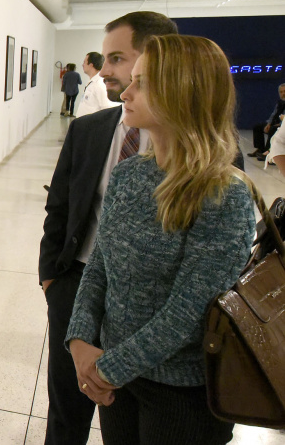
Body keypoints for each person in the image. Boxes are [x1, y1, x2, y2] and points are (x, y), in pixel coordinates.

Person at [66, 34, 254, 444]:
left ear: (185, 91)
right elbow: (100, 264)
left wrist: (107, 368)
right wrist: (80, 340)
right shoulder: (130, 174)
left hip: (182, 394)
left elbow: (188, 312)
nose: (127, 92)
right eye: (131, 80)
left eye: (143, 83)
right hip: (118, 380)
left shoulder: (223, 193)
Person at [39, 11, 178, 445]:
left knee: (133, 419)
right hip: (78, 284)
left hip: (156, 308)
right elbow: (60, 207)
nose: (108, 69)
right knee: (67, 407)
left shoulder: (204, 153)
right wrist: (52, 281)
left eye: (118, 58)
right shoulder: (89, 130)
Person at [248, 83, 285, 160]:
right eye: (281, 92)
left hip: (283, 125)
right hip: (277, 122)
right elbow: (274, 114)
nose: (283, 93)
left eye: (284, 91)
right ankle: (260, 149)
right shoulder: (280, 103)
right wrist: (269, 123)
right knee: (258, 127)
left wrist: (281, 124)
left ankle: (269, 152)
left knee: (273, 129)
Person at [74, 52, 116, 119]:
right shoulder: (92, 82)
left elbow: (106, 109)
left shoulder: (100, 84)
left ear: (91, 65)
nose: (82, 65)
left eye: (84, 62)